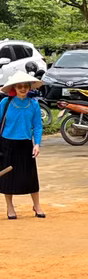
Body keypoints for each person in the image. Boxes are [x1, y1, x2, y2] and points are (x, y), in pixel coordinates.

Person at [0, 71, 45, 218]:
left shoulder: (33, 104)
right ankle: (10, 207)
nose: (23, 89)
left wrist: (37, 144)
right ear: (14, 88)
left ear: (30, 87)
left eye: (26, 86)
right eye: (20, 86)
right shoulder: (5, 103)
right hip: (7, 144)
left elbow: (37, 125)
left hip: (26, 144)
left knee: (31, 176)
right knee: (8, 177)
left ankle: (37, 205)